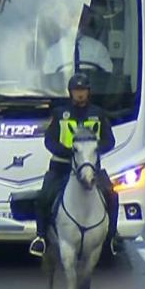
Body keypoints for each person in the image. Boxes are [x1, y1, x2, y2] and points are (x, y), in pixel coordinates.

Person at [29, 74, 119, 258]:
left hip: (90, 168)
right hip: (61, 167)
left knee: (112, 195)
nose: (80, 95)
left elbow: (109, 141)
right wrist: (69, 152)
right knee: (44, 197)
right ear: (70, 93)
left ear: (88, 92)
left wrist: (91, 152)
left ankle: (111, 237)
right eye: (76, 91)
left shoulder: (98, 114)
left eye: (83, 91)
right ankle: (41, 237)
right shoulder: (60, 113)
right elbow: (50, 141)